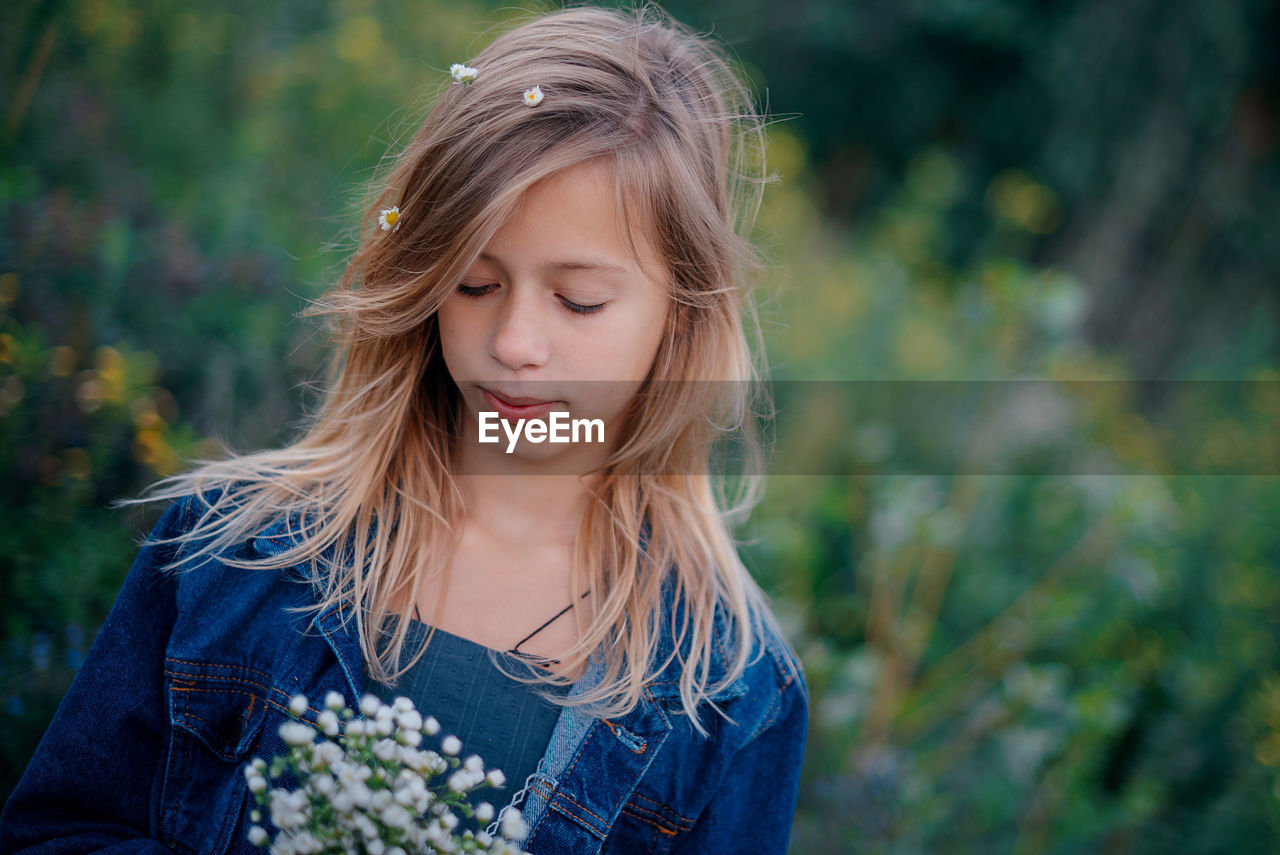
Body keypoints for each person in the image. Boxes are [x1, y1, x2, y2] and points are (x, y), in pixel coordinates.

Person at [1, 4, 808, 853]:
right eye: (472, 283)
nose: (513, 345)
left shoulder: (731, 692)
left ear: (681, 318)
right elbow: (57, 830)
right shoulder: (228, 549)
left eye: (579, 300)